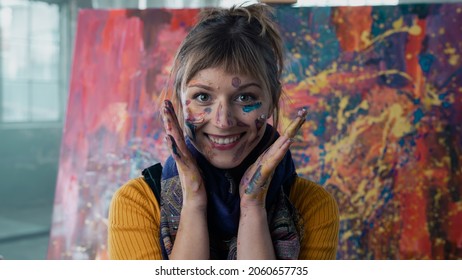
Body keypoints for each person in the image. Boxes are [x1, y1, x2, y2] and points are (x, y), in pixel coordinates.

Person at [108, 3, 339, 260]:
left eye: (244, 97)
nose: (224, 121)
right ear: (178, 99)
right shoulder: (136, 204)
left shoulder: (313, 208)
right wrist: (194, 200)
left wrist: (253, 205)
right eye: (203, 96)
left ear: (272, 100)